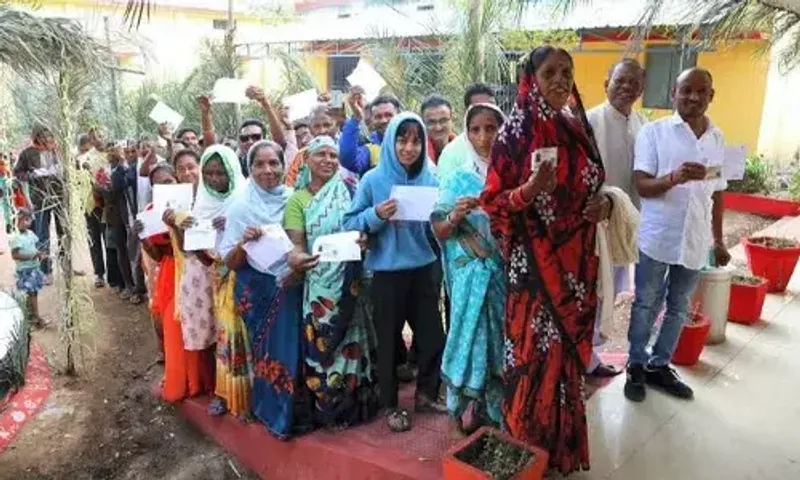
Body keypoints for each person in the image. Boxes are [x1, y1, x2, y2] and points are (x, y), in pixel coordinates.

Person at [480, 46, 612, 474]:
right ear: (530, 78)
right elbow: (493, 204)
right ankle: (529, 455)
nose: (560, 79)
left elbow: (595, 185)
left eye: (567, 72)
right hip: (533, 271)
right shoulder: (514, 135)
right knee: (534, 359)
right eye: (550, 72)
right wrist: (530, 191)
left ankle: (562, 452)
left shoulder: (577, 129)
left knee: (566, 362)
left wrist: (605, 205)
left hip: (575, 268)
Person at [624, 68, 731, 403]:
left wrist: (720, 240)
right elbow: (642, 186)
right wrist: (674, 178)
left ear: (711, 95)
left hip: (695, 240)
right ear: (674, 92)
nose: (694, 97)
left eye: (702, 91)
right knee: (645, 304)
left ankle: (659, 365)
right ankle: (636, 365)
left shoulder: (717, 138)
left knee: (679, 307)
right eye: (686, 90)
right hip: (657, 238)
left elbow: (718, 193)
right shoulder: (654, 133)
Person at [344, 113, 446, 433]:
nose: (410, 147)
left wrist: (439, 220)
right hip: (386, 274)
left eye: (417, 140)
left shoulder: (431, 177)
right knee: (388, 343)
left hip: (424, 269)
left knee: (432, 338)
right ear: (390, 141)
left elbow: (440, 223)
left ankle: (427, 394)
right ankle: (390, 404)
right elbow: (349, 222)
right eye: (402, 139)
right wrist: (376, 215)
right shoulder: (373, 180)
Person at [283, 136, 380, 428]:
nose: (328, 160)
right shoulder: (297, 201)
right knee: (324, 347)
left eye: (333, 155)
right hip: (320, 289)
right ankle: (330, 410)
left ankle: (358, 408)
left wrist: (366, 238)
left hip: (351, 283)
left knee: (354, 345)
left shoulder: (350, 189)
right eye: (320, 154)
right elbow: (296, 246)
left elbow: (365, 226)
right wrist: (297, 259)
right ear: (306, 160)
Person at [218, 140, 313, 439]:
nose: (268, 170)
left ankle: (295, 410)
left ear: (284, 167)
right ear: (249, 168)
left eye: (274, 163)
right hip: (258, 288)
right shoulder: (240, 206)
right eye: (260, 164)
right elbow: (231, 262)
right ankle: (274, 414)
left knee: (294, 348)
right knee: (270, 353)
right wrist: (245, 243)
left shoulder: (293, 199)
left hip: (292, 284)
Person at [431, 103, 506, 434]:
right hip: (468, 273)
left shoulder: (513, 174)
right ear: (466, 133)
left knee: (499, 340)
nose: (484, 136)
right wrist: (456, 216)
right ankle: (468, 406)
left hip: (503, 271)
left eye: (491, 128)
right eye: (475, 129)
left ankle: (496, 407)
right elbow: (439, 229)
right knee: (472, 336)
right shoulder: (459, 176)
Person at [584, 58, 648, 378]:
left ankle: (592, 358)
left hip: (625, 224)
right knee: (593, 294)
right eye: (619, 81)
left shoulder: (643, 124)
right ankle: (584, 360)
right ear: (606, 82)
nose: (626, 88)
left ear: (642, 89)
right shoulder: (588, 121)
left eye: (633, 83)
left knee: (610, 293)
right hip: (594, 225)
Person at [173, 146, 248, 406]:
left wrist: (231, 225)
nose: (215, 179)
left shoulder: (245, 199)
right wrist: (178, 227)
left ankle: (245, 393)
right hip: (207, 278)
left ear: (232, 172)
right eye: (209, 173)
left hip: (240, 279)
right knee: (213, 335)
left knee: (239, 336)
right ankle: (221, 390)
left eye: (221, 173)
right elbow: (194, 252)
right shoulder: (200, 204)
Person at [136, 162, 181, 387]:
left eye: (168, 182)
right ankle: (166, 354)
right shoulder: (150, 214)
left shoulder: (192, 205)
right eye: (157, 185)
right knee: (164, 315)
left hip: (195, 272)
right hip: (167, 273)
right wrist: (143, 235)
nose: (164, 188)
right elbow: (155, 255)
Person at [14, 125, 64, 285]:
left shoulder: (56, 150)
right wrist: (32, 174)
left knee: (64, 231)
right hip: (40, 199)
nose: (46, 139)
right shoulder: (27, 153)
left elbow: (67, 166)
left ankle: (66, 266)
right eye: (42, 136)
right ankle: (46, 270)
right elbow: (18, 172)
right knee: (43, 235)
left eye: (48, 135)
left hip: (59, 196)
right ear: (36, 137)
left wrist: (60, 169)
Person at [338, 92, 401, 176]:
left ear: (399, 115)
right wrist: (356, 118)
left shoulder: (415, 145)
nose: (384, 120)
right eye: (378, 117)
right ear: (372, 120)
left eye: (389, 115)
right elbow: (347, 160)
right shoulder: (370, 151)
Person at [10, 208, 47, 328]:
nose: (28, 223)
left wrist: (40, 254)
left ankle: (33, 317)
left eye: (29, 220)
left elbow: (35, 247)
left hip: (34, 269)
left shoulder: (30, 234)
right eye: (26, 220)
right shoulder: (16, 238)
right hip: (25, 271)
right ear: (19, 220)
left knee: (33, 293)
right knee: (31, 294)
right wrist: (32, 255)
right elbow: (15, 255)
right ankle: (37, 318)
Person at [420, 94, 456, 165]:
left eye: (443, 120)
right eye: (431, 122)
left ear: (452, 119)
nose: (438, 128)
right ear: (423, 123)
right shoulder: (417, 154)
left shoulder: (465, 150)